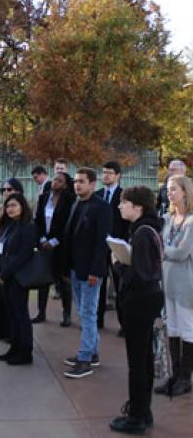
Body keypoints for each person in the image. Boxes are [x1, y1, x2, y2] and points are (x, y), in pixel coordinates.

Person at [109, 186, 164, 435]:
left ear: (138, 207)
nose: (120, 206)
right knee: (144, 360)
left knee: (137, 363)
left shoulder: (142, 233)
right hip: (149, 300)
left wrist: (119, 265)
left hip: (140, 301)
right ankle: (144, 410)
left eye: (124, 202)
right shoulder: (147, 229)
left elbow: (141, 275)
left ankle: (137, 417)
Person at [62, 167, 112, 379]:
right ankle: (92, 353)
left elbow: (102, 243)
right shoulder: (76, 203)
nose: (77, 185)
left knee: (89, 314)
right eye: (75, 181)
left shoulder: (102, 207)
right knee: (84, 314)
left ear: (93, 183)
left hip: (91, 271)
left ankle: (84, 360)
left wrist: (95, 271)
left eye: (81, 181)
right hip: (75, 268)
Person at [155, 175, 193, 397]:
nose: (169, 193)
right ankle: (175, 375)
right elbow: (165, 244)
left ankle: (185, 377)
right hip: (168, 282)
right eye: (168, 189)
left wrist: (163, 251)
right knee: (173, 329)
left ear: (185, 192)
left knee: (188, 330)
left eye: (173, 189)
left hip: (186, 284)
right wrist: (165, 250)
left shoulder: (191, 221)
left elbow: (181, 252)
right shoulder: (169, 219)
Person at [0, 193, 36, 365]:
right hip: (3, 277)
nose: (10, 209)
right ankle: (14, 347)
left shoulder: (28, 227)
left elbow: (23, 256)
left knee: (20, 315)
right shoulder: (7, 226)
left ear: (22, 207)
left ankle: (26, 352)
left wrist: (4, 274)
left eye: (14, 206)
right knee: (11, 314)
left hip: (16, 278)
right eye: (8, 206)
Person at [32, 172, 75, 326]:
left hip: (61, 246)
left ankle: (66, 314)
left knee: (63, 279)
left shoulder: (70, 199)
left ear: (65, 184)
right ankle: (41, 312)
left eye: (59, 180)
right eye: (54, 179)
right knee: (43, 280)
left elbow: (69, 225)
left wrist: (55, 241)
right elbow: (38, 221)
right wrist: (42, 239)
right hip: (44, 246)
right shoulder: (44, 198)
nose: (54, 182)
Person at [0, 178, 25, 341]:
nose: (6, 193)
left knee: (11, 299)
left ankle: (12, 333)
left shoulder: (22, 210)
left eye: (10, 189)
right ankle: (0, 329)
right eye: (4, 190)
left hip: (12, 261)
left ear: (18, 192)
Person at [96, 161, 129, 334]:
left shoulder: (124, 196)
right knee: (99, 285)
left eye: (109, 172)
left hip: (117, 247)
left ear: (117, 175)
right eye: (103, 172)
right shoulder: (98, 195)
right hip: (100, 248)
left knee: (119, 286)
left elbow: (127, 222)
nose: (105, 175)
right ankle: (98, 320)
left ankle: (124, 325)